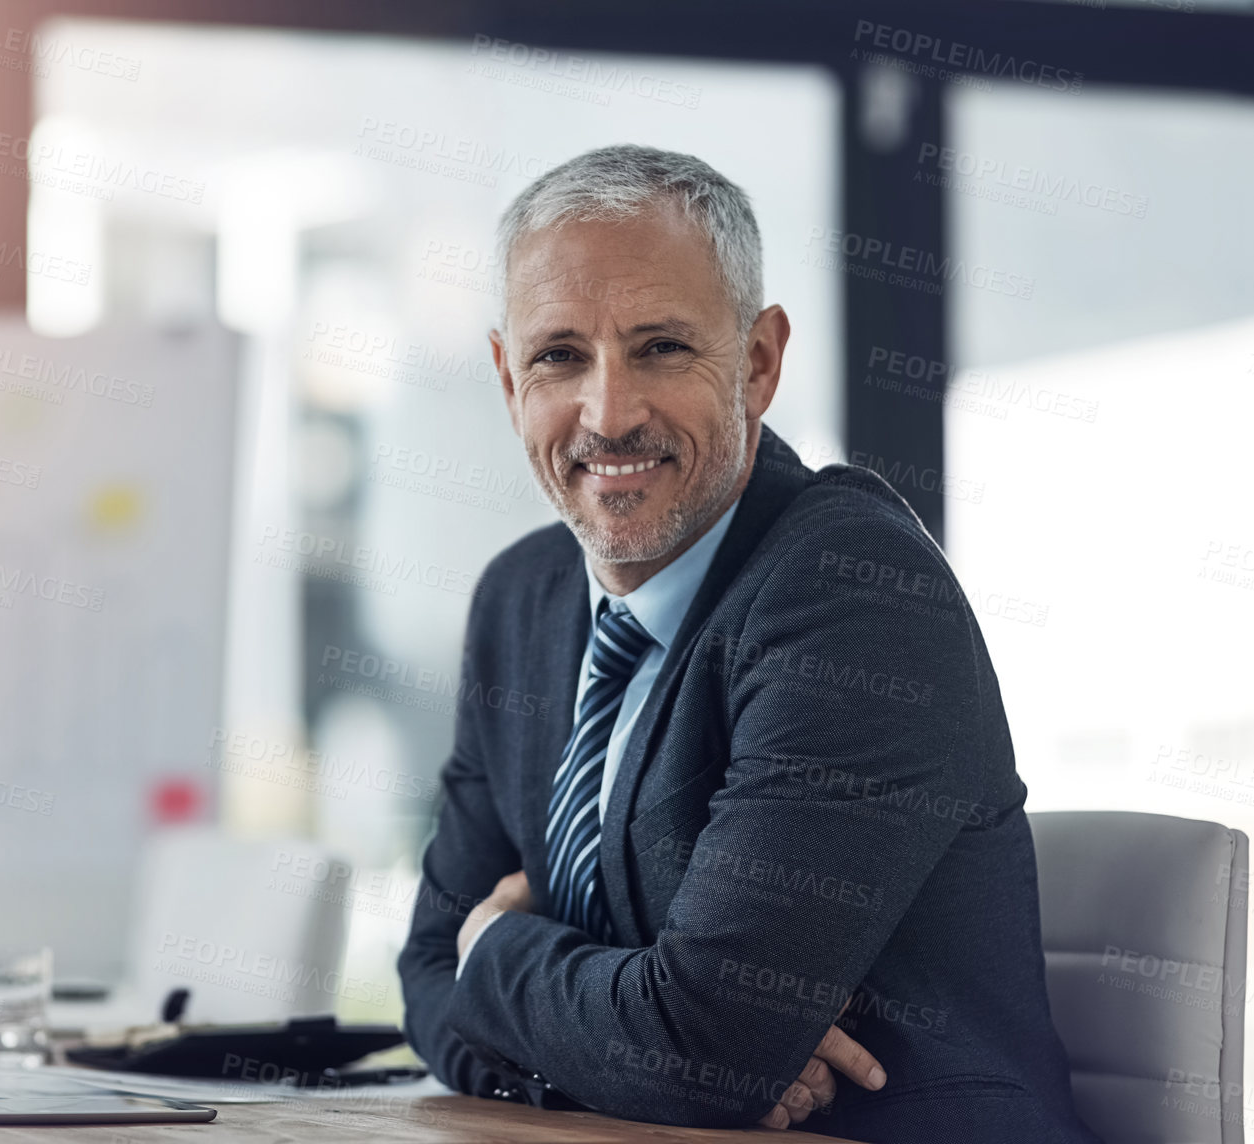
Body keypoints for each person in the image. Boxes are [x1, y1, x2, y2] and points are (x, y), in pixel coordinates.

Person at [396, 144, 1099, 1143]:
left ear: (758, 362)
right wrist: (622, 1053)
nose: (608, 413)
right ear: (508, 377)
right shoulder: (520, 599)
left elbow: (696, 1043)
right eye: (559, 355)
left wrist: (495, 948)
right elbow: (426, 982)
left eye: (661, 348)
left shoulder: (854, 591)